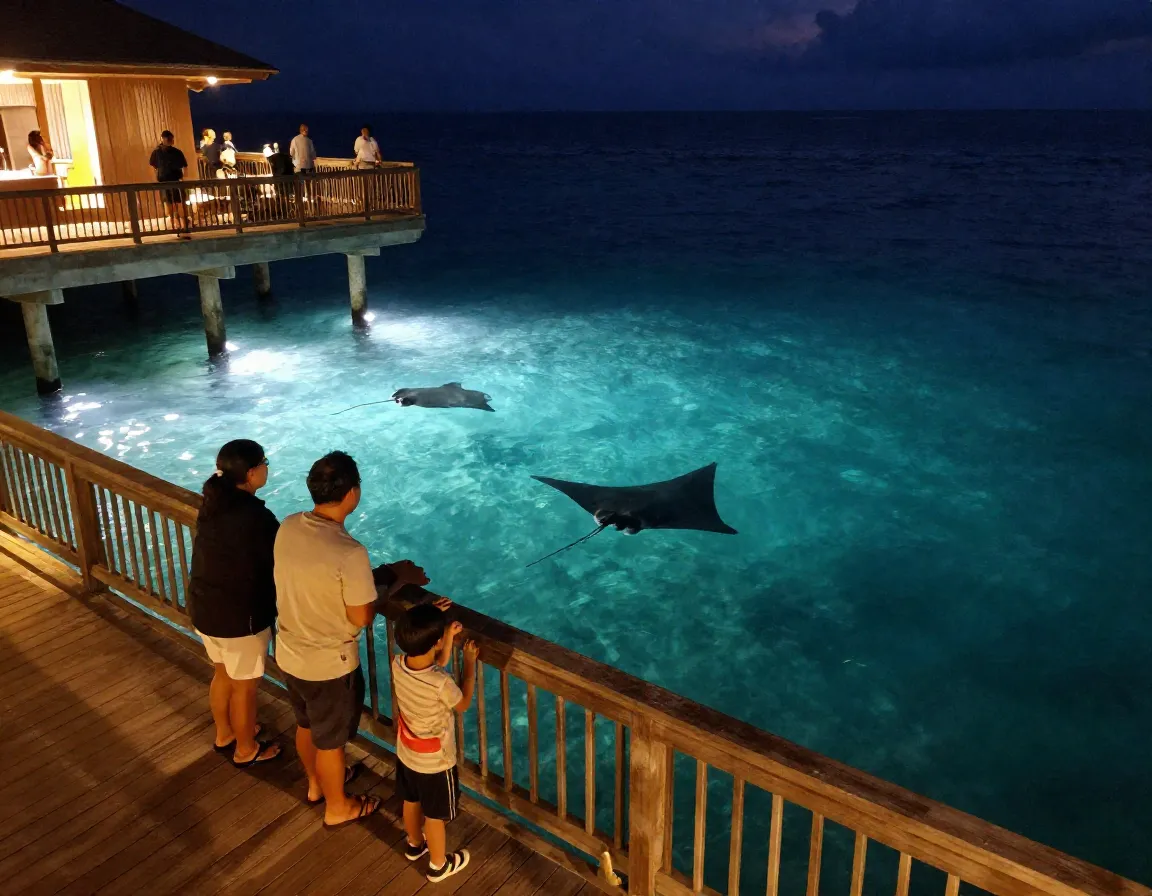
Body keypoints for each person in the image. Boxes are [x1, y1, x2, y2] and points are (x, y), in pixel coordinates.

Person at [273, 451, 430, 827]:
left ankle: (316, 785)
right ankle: (337, 806)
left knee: (306, 725)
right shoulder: (350, 551)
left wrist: (389, 575)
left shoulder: (289, 526)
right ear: (353, 493)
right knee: (331, 743)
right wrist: (393, 583)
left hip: (290, 652)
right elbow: (361, 616)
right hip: (328, 666)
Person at [188, 440, 282, 767]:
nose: (267, 467)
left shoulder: (213, 504)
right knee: (245, 688)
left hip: (205, 608)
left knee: (223, 675)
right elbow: (280, 556)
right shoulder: (255, 516)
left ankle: (225, 733)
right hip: (239, 618)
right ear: (252, 473)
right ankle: (246, 749)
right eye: (265, 462)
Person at [393, 601, 478, 882]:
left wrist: (445, 635)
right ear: (436, 642)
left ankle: (414, 844)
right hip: (435, 762)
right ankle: (438, 865)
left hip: (408, 751)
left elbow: (433, 664)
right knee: (435, 815)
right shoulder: (441, 683)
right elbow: (462, 704)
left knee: (411, 800)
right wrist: (469, 664)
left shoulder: (398, 664)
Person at [148, 130, 190, 238]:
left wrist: (183, 178)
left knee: (180, 203)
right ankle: (174, 226)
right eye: (168, 139)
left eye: (171, 139)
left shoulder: (177, 152)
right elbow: (152, 165)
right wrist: (156, 177)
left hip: (176, 180)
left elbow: (184, 166)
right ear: (162, 139)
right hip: (164, 182)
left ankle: (184, 226)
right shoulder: (157, 152)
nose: (170, 141)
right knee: (168, 203)